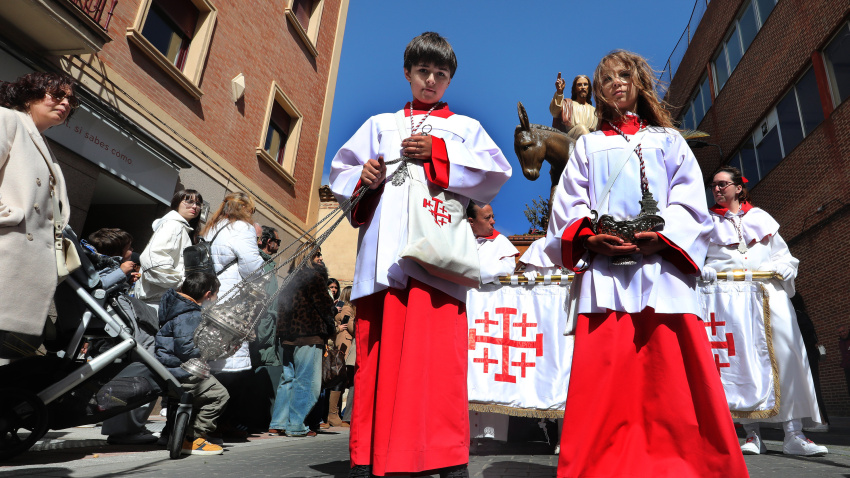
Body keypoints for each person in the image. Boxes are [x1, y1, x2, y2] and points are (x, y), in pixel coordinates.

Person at [543, 50, 748, 477]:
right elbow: (568, 204)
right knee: (605, 380)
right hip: (605, 275)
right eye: (608, 79)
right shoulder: (588, 146)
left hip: (662, 271)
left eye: (624, 75)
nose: (617, 83)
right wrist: (588, 237)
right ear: (598, 92)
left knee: (670, 376)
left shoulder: (668, 141)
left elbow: (689, 199)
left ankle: (686, 464)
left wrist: (664, 238)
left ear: (639, 82)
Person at [329, 31, 511, 478]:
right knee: (377, 362)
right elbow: (341, 173)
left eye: (441, 74)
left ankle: (444, 457)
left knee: (437, 367)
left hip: (436, 264)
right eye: (423, 72)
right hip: (384, 262)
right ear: (408, 73)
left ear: (449, 80)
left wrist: (440, 151)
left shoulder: (465, 128)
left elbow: (494, 172)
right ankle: (370, 455)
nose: (431, 80)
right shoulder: (380, 125)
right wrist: (363, 176)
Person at [701, 166, 826, 456]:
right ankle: (751, 435)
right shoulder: (705, 222)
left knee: (787, 356)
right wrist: (704, 269)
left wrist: (785, 265)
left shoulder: (761, 218)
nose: (716, 189)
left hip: (769, 295)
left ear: (738, 187)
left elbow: (783, 254)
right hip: (729, 298)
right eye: (713, 186)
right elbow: (696, 257)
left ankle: (794, 434)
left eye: (722, 184)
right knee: (739, 361)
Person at [0, 72, 73, 355]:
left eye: (70, 99)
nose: (65, 103)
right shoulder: (8, 120)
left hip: (25, 271)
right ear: (30, 95)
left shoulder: (46, 149)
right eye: (57, 95)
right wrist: (8, 216)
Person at [201, 191, 265, 437]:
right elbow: (251, 265)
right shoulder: (242, 228)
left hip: (208, 297)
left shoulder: (213, 226)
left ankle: (205, 418)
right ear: (246, 209)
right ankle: (220, 422)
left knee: (209, 358)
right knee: (229, 364)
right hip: (230, 301)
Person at [154, 272, 228, 455]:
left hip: (168, 369)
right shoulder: (190, 314)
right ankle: (192, 438)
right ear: (207, 294)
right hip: (181, 371)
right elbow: (186, 349)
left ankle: (171, 434)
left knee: (189, 397)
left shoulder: (176, 305)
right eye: (216, 294)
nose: (216, 299)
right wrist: (213, 348)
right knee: (219, 395)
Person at [269, 246, 334, 437]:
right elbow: (324, 305)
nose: (321, 258)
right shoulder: (313, 277)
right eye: (317, 254)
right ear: (308, 257)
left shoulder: (289, 278)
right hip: (309, 334)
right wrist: (331, 320)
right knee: (307, 381)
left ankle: (278, 422)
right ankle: (296, 424)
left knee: (288, 379)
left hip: (289, 336)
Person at [135, 189, 204, 309]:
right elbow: (153, 259)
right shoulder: (173, 225)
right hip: (154, 301)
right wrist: (179, 283)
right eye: (189, 201)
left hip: (161, 300)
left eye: (198, 203)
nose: (194, 206)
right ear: (177, 203)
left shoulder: (182, 228)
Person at [467, 203, 519, 285]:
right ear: (471, 221)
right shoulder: (461, 240)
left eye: (493, 217)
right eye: (487, 218)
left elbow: (507, 271)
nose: (493, 222)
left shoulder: (501, 241)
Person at [549, 73, 598, 141]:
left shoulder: (595, 111)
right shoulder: (567, 104)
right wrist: (559, 93)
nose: (583, 87)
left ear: (589, 88)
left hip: (593, 138)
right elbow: (554, 112)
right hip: (570, 139)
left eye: (585, 84)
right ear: (575, 89)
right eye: (579, 85)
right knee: (581, 128)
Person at [334, 286, 356, 425]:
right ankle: (336, 414)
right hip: (346, 344)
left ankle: (337, 413)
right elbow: (348, 324)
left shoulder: (343, 307)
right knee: (343, 380)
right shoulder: (348, 309)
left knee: (342, 381)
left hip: (344, 343)